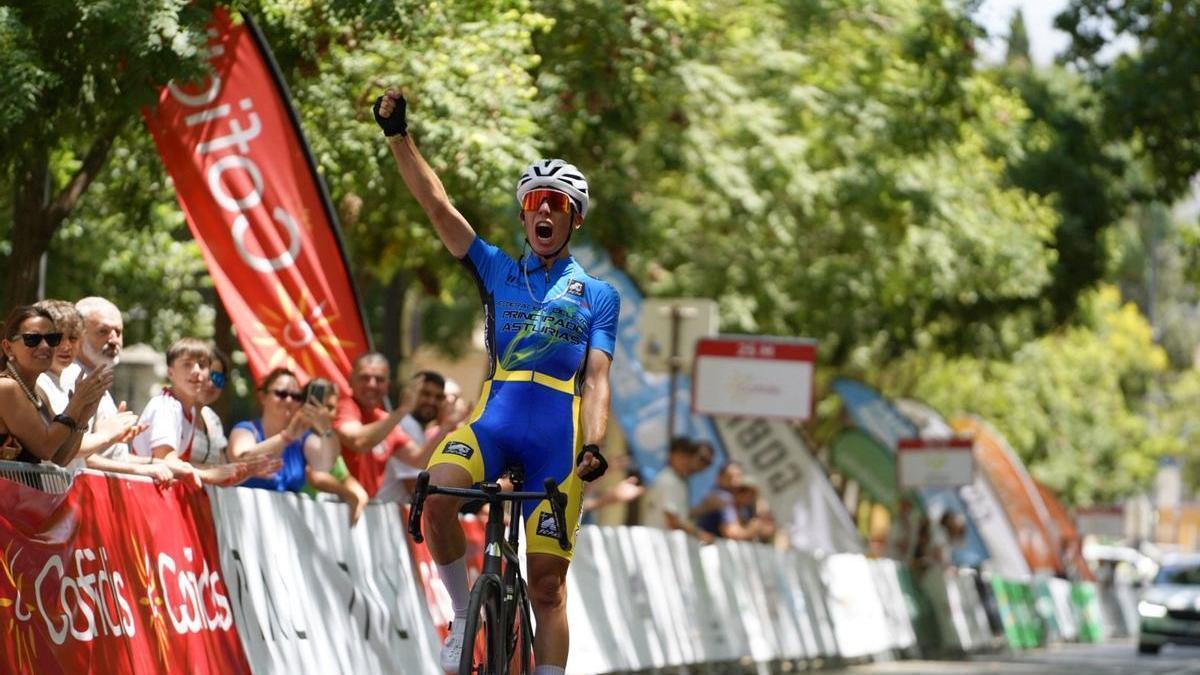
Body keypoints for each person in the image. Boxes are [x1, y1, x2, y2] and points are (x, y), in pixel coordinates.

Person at [375, 88, 620, 675]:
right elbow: (438, 208)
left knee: (547, 590)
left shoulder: (598, 296)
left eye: (557, 204)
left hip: (556, 448)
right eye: (536, 200)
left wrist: (592, 445)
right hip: (494, 423)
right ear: (523, 213)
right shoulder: (497, 270)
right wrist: (397, 135)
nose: (545, 210)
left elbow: (597, 380)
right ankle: (463, 615)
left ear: (573, 219)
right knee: (434, 494)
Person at [32, 299, 141, 469]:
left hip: (65, 491)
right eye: (57, 338)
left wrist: (109, 433)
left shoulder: (70, 378)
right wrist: (107, 434)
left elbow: (69, 450)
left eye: (73, 338)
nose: (66, 345)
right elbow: (57, 448)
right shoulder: (38, 380)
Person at [0, 305, 110, 466]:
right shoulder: (6, 388)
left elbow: (60, 457)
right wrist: (76, 403)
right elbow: (45, 448)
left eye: (52, 339)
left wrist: (83, 415)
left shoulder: (37, 393)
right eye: (33, 339)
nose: (45, 346)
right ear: (8, 348)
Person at [130, 338, 232, 486]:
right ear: (170, 372)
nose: (196, 371)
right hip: (143, 494)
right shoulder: (165, 406)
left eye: (202, 365)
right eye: (187, 364)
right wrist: (211, 474)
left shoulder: (189, 411)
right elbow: (166, 461)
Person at [333, 353, 430, 502]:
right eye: (364, 378)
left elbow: (419, 459)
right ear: (350, 380)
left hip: (368, 508)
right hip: (335, 505)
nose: (372, 384)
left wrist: (448, 426)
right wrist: (402, 411)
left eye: (379, 380)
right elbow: (358, 442)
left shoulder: (385, 420)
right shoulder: (343, 406)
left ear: (387, 386)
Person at [227, 368, 314, 492]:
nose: (289, 400)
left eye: (296, 396)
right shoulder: (246, 430)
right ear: (262, 397)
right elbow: (240, 460)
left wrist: (325, 428)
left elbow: (325, 464)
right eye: (281, 394)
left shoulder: (302, 438)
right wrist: (285, 438)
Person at [301, 377, 370, 526]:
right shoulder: (298, 437)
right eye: (321, 405)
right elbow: (316, 476)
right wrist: (348, 494)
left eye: (331, 408)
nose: (326, 412)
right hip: (298, 521)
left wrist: (359, 495)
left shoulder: (329, 441)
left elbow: (345, 477)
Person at [641, 437, 710, 541]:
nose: (685, 461)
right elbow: (672, 521)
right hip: (657, 543)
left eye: (688, 457)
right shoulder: (668, 480)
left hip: (667, 544)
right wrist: (699, 534)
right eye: (681, 456)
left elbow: (680, 517)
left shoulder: (681, 481)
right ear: (672, 456)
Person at [694, 461, 769, 541]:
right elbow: (731, 533)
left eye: (738, 476)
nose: (735, 482)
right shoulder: (723, 497)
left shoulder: (743, 507)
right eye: (729, 477)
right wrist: (750, 531)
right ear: (719, 478)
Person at [190, 346, 230, 466]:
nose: (211, 384)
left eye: (218, 379)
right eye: (209, 375)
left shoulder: (212, 419)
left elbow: (223, 469)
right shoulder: (170, 409)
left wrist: (247, 470)